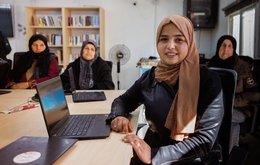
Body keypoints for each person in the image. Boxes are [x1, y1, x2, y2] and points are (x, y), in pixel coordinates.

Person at [106, 15, 224, 164]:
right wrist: (118, 116)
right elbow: (123, 100)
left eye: (179, 40)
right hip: (153, 148)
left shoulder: (208, 81)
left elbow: (205, 140)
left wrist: (156, 155)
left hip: (193, 158)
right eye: (164, 39)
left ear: (190, 42)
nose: (170, 46)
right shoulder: (150, 77)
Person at [207, 35, 260, 149]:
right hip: (215, 107)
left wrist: (232, 102)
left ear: (234, 49)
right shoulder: (211, 64)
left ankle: (215, 151)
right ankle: (225, 154)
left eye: (230, 46)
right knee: (231, 124)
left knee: (217, 115)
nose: (226, 49)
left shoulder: (242, 66)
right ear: (218, 47)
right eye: (223, 45)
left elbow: (255, 95)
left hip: (238, 109)